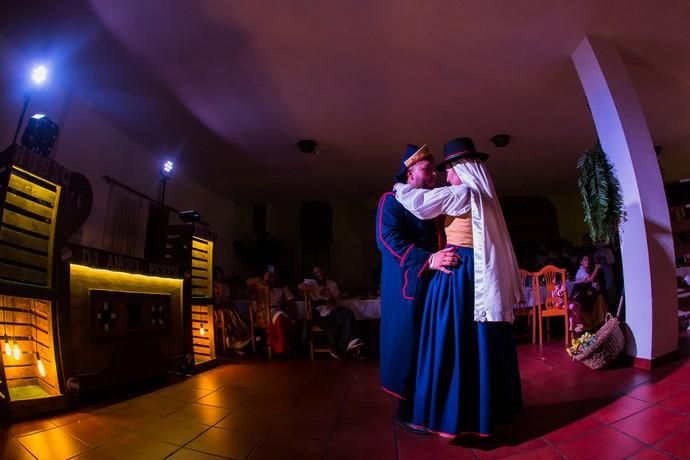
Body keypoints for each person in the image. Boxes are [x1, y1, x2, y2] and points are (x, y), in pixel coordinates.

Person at [394, 136, 523, 438]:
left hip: (461, 270)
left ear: (463, 169)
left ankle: (453, 415)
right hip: (474, 266)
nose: (446, 175)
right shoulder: (479, 192)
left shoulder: (463, 191)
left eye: (450, 168)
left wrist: (400, 185)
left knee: (452, 337)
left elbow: (419, 203)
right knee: (476, 340)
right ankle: (486, 411)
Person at [376, 144, 460, 434]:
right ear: (410, 174)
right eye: (427, 169)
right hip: (406, 289)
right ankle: (407, 410)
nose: (435, 174)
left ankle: (432, 407)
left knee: (433, 345)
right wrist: (429, 259)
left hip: (435, 284)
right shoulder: (392, 200)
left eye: (436, 169)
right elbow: (387, 239)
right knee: (408, 345)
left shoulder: (432, 203)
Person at [298, 266, 364, 360]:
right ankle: (347, 342)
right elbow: (300, 286)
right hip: (319, 312)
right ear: (313, 275)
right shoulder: (311, 282)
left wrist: (328, 293)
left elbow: (334, 301)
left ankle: (351, 341)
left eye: (320, 271)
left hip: (331, 309)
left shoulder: (332, 283)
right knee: (340, 317)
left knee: (348, 312)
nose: (319, 274)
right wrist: (315, 289)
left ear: (324, 271)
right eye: (316, 273)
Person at [246, 271, 296, 355]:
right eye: (269, 278)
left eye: (272, 278)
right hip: (264, 312)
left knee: (283, 317)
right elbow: (248, 282)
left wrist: (287, 305)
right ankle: (280, 346)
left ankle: (279, 344)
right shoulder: (261, 286)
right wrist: (262, 279)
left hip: (278, 309)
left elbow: (291, 299)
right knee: (279, 316)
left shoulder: (282, 287)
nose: (270, 280)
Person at [213, 266, 251, 355]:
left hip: (225, 307)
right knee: (230, 312)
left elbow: (227, 300)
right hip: (217, 309)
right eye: (217, 274)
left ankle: (242, 339)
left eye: (220, 274)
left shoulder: (225, 286)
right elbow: (216, 302)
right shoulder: (212, 286)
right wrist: (220, 294)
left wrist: (224, 294)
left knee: (233, 311)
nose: (219, 276)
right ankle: (241, 340)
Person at [569, 254, 608, 333]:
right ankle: (580, 327)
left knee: (600, 296)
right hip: (579, 296)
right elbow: (590, 279)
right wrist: (596, 269)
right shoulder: (581, 271)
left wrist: (595, 286)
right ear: (581, 262)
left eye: (588, 259)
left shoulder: (588, 270)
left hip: (585, 295)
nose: (587, 261)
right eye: (585, 260)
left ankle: (602, 321)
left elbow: (591, 283)